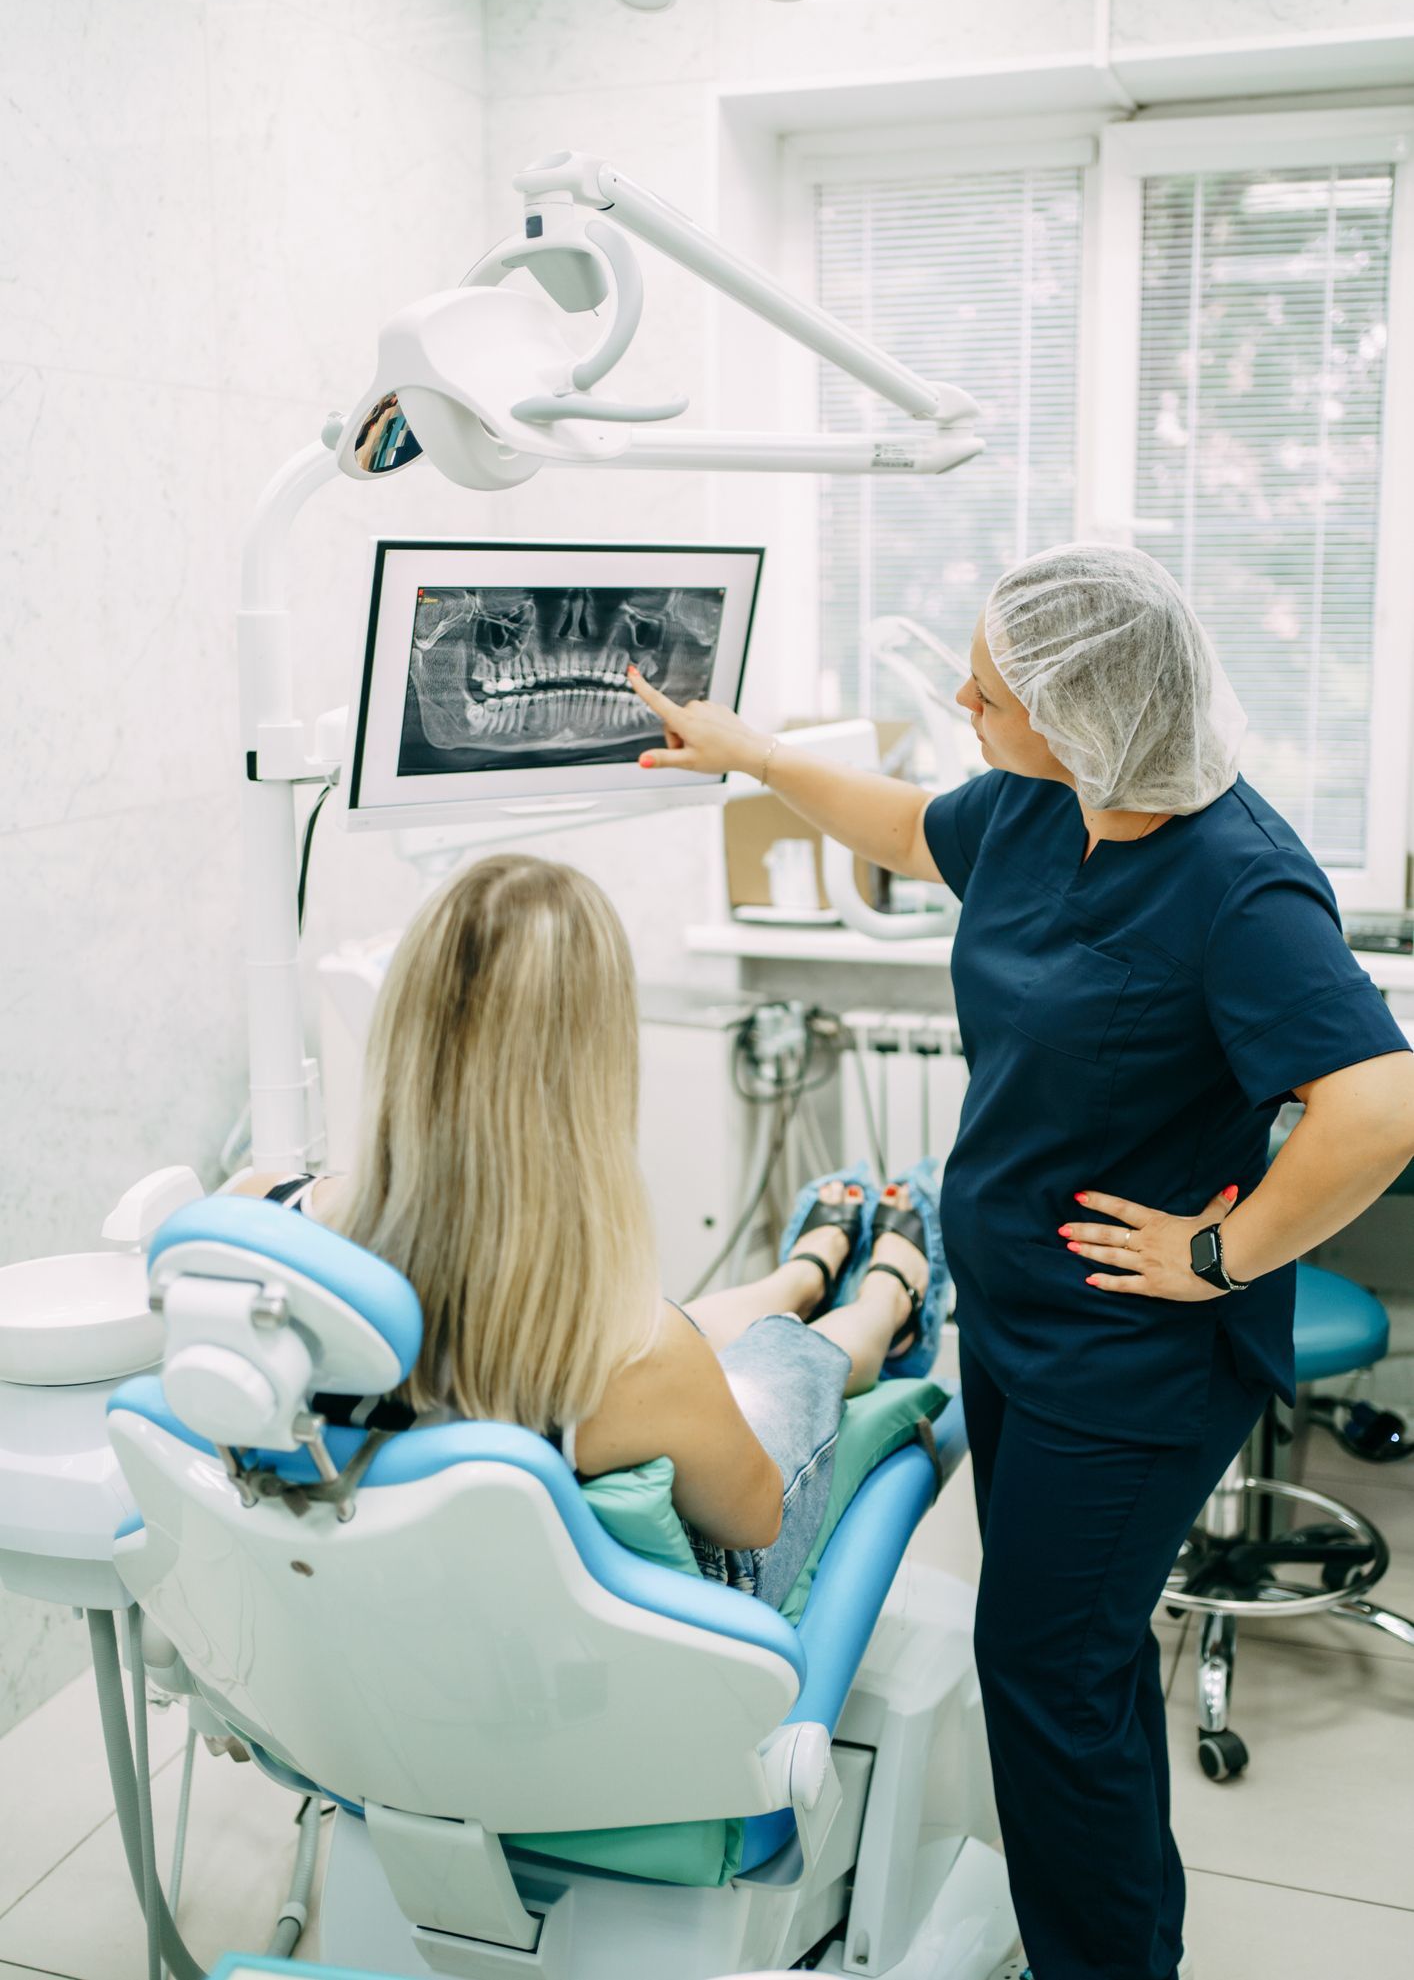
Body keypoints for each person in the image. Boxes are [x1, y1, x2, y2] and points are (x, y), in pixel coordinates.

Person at [627, 542, 1414, 1980]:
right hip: (1018, 1325)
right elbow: (905, 824)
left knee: (1045, 1676)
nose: (960, 702)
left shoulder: (1236, 883)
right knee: (1083, 1661)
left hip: (1131, 1364)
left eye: (985, 689)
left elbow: (1378, 1107)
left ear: (1079, 709)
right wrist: (741, 749)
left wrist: (1218, 1251)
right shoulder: (1043, 808)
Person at [232, 851, 940, 1611]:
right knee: (789, 1355)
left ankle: (801, 1273)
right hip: (576, 1662)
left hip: (362, 1626)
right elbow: (757, 1518)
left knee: (685, 1335)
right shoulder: (632, 1361)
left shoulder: (252, 1225)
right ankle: (885, 1299)